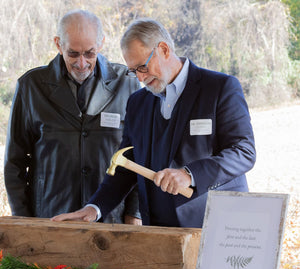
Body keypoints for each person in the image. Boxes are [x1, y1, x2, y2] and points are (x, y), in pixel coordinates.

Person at [52, 18, 256, 228]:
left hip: (214, 225)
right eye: (133, 71)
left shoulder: (219, 88)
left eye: (143, 66)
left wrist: (190, 175)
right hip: (158, 230)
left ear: (164, 49)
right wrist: (94, 208)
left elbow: (244, 152)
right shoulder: (138, 103)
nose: (140, 78)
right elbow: (126, 165)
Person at [4, 10, 142, 225]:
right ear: (58, 44)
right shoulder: (31, 86)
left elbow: (139, 154)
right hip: (51, 216)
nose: (82, 63)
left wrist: (135, 212)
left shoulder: (127, 82)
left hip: (110, 216)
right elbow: (15, 162)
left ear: (102, 44)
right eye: (73, 54)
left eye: (89, 53)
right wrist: (23, 220)